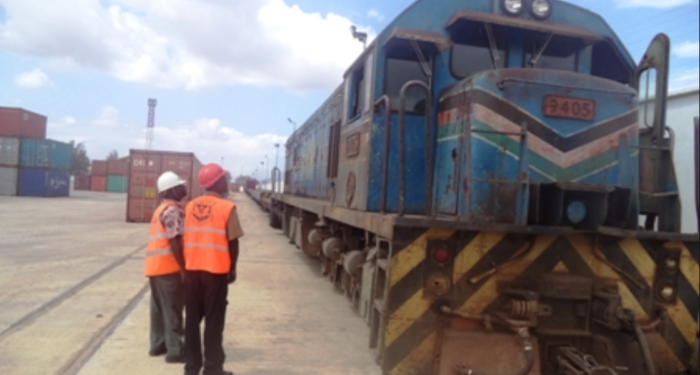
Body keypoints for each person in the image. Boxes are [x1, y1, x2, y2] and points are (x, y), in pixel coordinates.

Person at [183, 163, 244, 375]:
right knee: (214, 322)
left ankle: (191, 368)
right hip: (216, 272)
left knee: (192, 321)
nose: (226, 181)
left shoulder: (190, 206)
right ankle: (212, 369)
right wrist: (233, 269)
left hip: (191, 271)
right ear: (215, 183)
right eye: (223, 178)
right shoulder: (227, 207)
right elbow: (233, 241)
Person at [145, 171, 188, 363]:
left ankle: (158, 344)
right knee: (172, 308)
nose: (184, 187)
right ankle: (175, 350)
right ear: (172, 190)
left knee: (158, 309)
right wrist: (183, 268)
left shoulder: (160, 209)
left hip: (155, 267)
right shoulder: (172, 210)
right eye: (181, 185)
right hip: (169, 268)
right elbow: (175, 241)